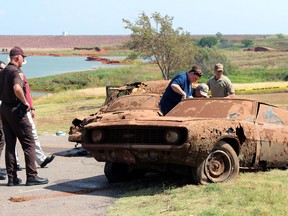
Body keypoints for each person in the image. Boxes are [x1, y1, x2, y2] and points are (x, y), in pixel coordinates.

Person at [0, 46, 48, 186]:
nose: (23, 60)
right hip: (16, 110)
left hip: (4, 109)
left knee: (10, 144)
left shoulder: (2, 72)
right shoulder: (16, 72)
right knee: (29, 143)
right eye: (23, 57)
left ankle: (12, 178)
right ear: (17, 57)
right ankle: (32, 176)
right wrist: (25, 102)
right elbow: (17, 88)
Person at [16, 75, 55, 169]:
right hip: (17, 109)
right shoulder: (11, 74)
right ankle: (15, 163)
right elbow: (17, 90)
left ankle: (41, 159)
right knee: (13, 138)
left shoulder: (21, 74)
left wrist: (32, 107)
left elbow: (27, 93)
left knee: (32, 134)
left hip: (25, 109)